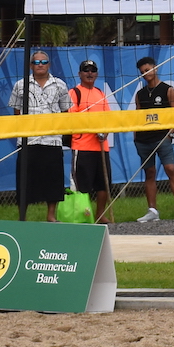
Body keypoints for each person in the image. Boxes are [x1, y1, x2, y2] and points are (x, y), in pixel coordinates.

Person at [9, 51, 69, 223]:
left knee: (53, 179)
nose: (40, 64)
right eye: (37, 62)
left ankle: (51, 215)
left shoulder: (60, 85)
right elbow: (16, 112)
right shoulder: (21, 85)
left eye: (44, 61)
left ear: (49, 64)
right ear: (31, 65)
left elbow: (65, 111)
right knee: (25, 179)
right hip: (28, 140)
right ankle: (23, 217)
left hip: (52, 140)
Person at [132, 55, 174, 221]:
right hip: (143, 140)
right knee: (149, 173)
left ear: (155, 68)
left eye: (148, 70)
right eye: (142, 72)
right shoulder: (140, 94)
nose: (146, 74)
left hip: (161, 138)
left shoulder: (167, 89)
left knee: (170, 169)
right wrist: (136, 138)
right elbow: (137, 118)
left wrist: (170, 133)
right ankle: (152, 211)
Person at [67, 61, 114, 224]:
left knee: (104, 184)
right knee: (82, 185)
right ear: (79, 74)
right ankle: (83, 216)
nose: (89, 73)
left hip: (101, 147)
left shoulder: (100, 93)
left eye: (93, 70)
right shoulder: (74, 93)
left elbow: (108, 118)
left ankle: (100, 215)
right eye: (85, 70)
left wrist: (104, 132)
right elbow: (72, 118)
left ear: (97, 74)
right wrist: (93, 128)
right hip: (82, 147)